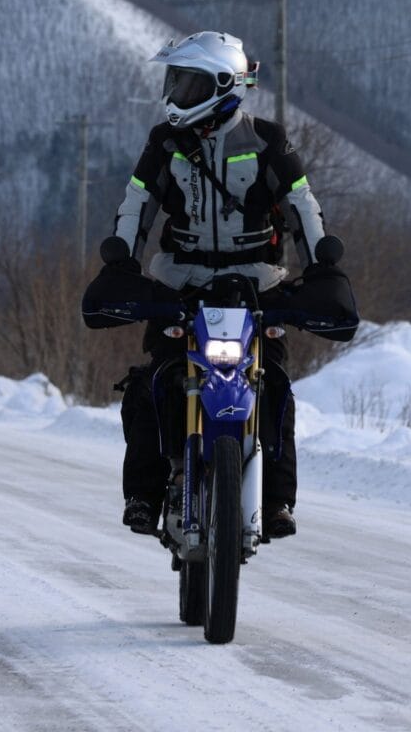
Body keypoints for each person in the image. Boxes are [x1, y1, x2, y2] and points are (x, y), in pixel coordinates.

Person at [110, 31, 331, 540]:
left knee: (274, 384)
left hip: (256, 284)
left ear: (223, 84)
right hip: (180, 282)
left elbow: (302, 205)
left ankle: (276, 501)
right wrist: (121, 257)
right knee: (153, 381)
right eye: (175, 82)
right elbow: (137, 202)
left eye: (187, 83)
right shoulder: (164, 142)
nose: (175, 93)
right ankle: (143, 494)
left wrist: (323, 264)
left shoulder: (268, 140)